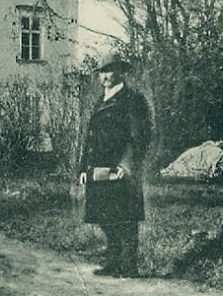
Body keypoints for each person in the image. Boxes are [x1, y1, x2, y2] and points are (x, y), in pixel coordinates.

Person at [77, 51, 153, 277]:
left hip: (120, 169)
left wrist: (126, 165)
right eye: (102, 72)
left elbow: (140, 135)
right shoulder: (101, 100)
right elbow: (89, 138)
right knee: (104, 216)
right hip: (99, 168)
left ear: (121, 72)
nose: (106, 76)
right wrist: (83, 168)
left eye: (110, 70)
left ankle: (129, 266)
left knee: (125, 218)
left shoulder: (132, 100)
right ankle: (113, 262)